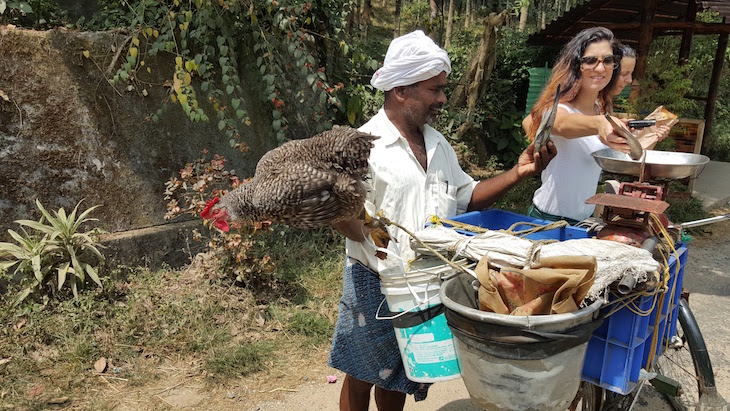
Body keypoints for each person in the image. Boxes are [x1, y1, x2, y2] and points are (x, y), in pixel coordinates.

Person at [329, 30, 557, 411]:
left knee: (401, 373)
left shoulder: (437, 143)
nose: (442, 99)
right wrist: (351, 223)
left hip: (426, 278)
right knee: (362, 372)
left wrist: (519, 172)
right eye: (434, 89)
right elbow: (342, 213)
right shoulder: (362, 145)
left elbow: (467, 195)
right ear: (402, 89)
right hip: (374, 278)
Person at [522, 27, 631, 225]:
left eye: (607, 60)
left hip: (584, 221)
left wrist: (647, 136)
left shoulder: (600, 108)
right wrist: (599, 124)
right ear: (575, 65)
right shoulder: (560, 108)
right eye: (590, 60)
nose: (600, 68)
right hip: (548, 221)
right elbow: (561, 124)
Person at [607, 44, 672, 150]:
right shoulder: (591, 104)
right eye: (624, 74)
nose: (629, 80)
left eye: (631, 74)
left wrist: (652, 135)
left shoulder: (607, 103)